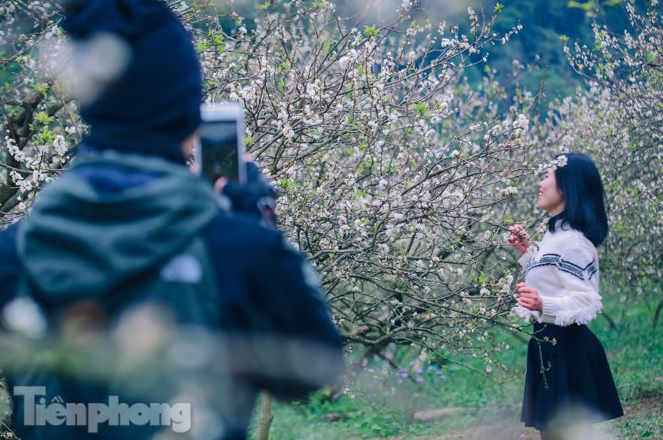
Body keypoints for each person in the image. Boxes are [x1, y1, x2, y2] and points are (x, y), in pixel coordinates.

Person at [0, 0, 343, 439]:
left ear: (91, 108)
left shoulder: (15, 254)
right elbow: (311, 370)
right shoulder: (237, 252)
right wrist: (258, 225)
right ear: (186, 117)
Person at [507, 152, 623, 440]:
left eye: (547, 176)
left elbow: (586, 301)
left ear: (566, 186)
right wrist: (528, 253)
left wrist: (543, 304)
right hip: (550, 345)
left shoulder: (573, 241)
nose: (540, 183)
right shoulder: (556, 236)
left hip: (567, 349)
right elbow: (553, 279)